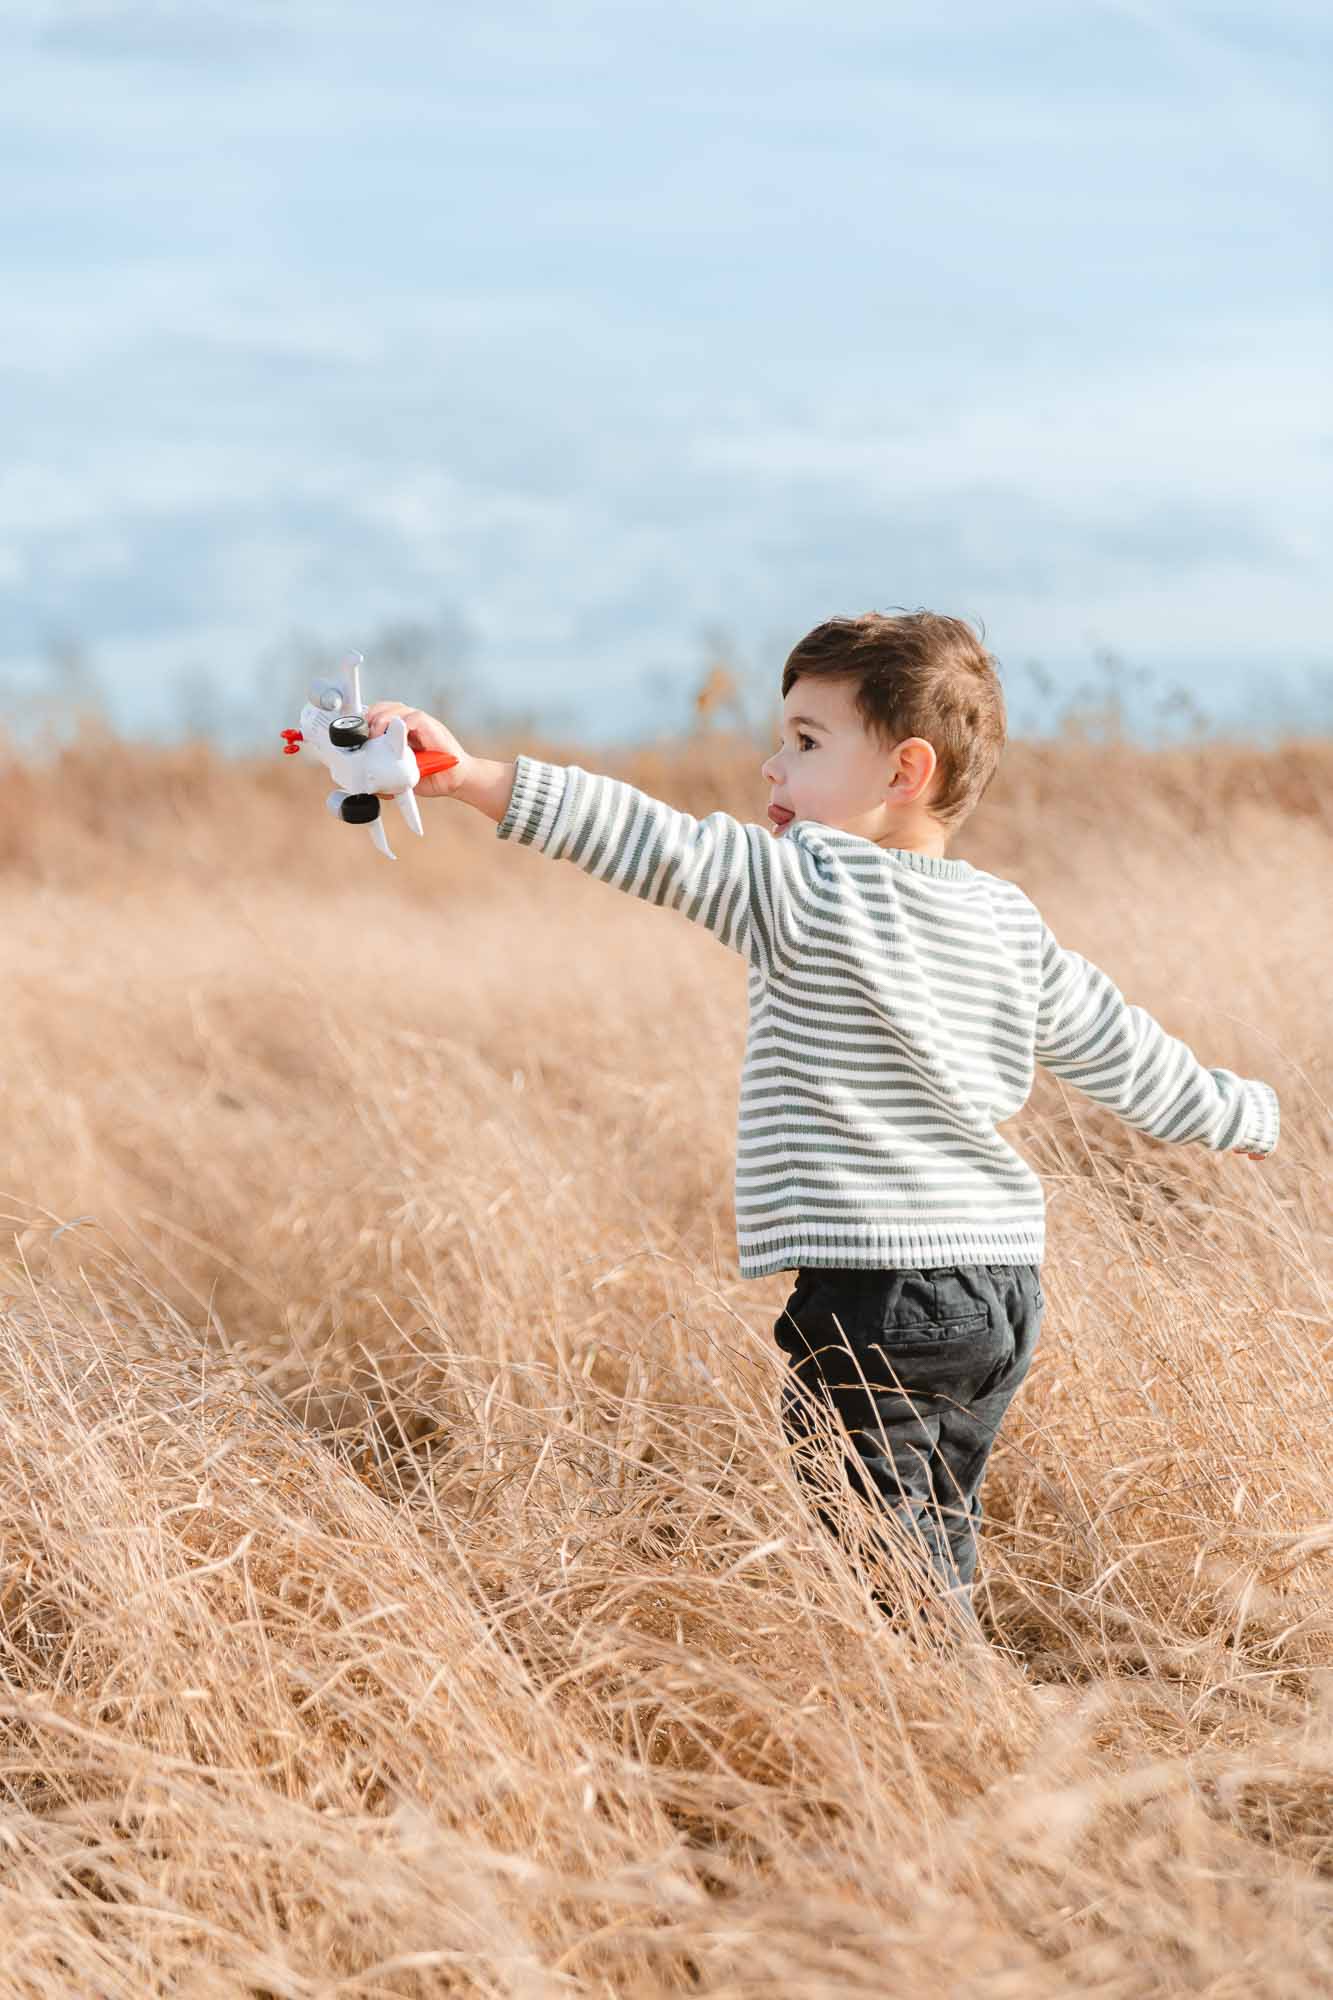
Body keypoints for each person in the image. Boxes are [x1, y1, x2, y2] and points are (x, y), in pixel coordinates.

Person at [364, 610, 1279, 1637]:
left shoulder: (805, 886)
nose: (770, 766)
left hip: (877, 1292)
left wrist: (474, 777)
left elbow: (638, 836)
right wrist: (1234, 1110)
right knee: (934, 1535)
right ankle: (961, 1712)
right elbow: (1115, 1044)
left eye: (804, 742)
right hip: (1000, 1291)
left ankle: (953, 1737)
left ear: (903, 771)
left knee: (884, 1572)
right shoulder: (1004, 918)